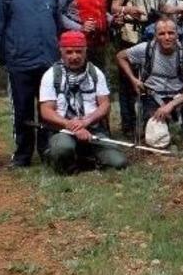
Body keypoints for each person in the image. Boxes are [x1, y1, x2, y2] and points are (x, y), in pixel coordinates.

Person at [0, 0, 61, 168]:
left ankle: (47, 151)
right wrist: (5, 60)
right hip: (19, 64)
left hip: (48, 64)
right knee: (22, 111)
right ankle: (23, 155)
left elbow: (57, 27)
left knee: (49, 111)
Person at [40, 31, 127, 174]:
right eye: (69, 52)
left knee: (119, 163)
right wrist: (70, 125)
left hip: (93, 129)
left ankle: (86, 158)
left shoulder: (96, 73)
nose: (74, 56)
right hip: (63, 130)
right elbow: (46, 110)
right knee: (63, 148)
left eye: (79, 51)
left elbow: (105, 104)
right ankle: (67, 164)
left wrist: (86, 121)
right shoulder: (50, 75)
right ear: (61, 52)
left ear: (86, 51)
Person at [116, 18, 183, 148]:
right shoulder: (145, 49)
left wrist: (172, 105)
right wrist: (133, 79)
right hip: (152, 96)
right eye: (162, 34)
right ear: (155, 36)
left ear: (177, 34)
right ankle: (168, 127)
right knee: (158, 140)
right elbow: (120, 56)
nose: (167, 37)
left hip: (177, 97)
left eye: (171, 33)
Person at [110, 0, 167, 138]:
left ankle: (145, 123)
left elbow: (160, 8)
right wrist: (128, 9)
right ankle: (128, 125)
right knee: (128, 82)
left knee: (148, 79)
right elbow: (114, 7)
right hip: (129, 35)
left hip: (150, 36)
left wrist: (177, 10)